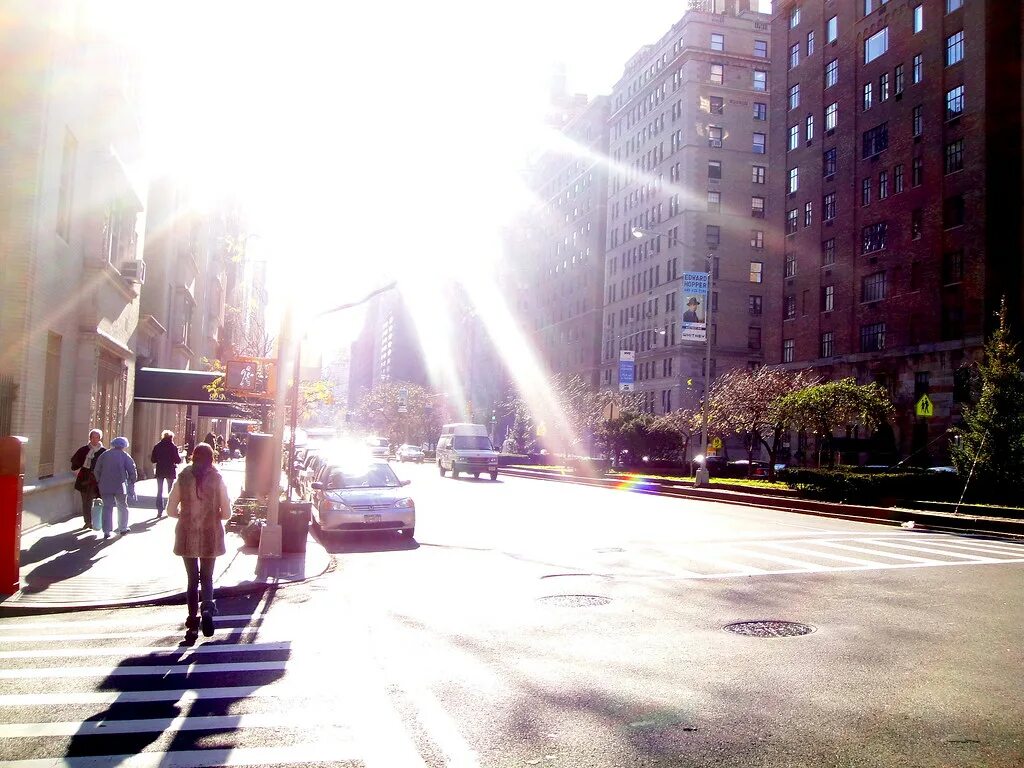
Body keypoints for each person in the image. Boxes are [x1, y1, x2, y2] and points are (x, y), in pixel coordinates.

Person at [165, 442, 231, 644]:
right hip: (210, 534)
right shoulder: (217, 478)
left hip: (187, 534)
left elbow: (170, 509)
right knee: (208, 577)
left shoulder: (183, 477)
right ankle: (208, 607)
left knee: (192, 580)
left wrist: (183, 515)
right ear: (212, 458)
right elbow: (227, 512)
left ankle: (192, 625)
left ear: (193, 456)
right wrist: (215, 515)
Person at [92, 436, 138, 539]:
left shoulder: (105, 454)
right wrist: (132, 481)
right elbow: (132, 470)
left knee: (107, 507)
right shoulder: (125, 456)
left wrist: (99, 480)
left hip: (105, 485)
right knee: (122, 506)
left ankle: (107, 530)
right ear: (124, 446)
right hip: (120, 485)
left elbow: (97, 469)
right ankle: (123, 527)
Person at [71, 429, 106, 528]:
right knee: (85, 501)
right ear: (90, 438)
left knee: (97, 500)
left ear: (100, 438)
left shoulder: (104, 452)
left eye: (97, 437)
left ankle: (98, 521)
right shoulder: (83, 450)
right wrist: (80, 471)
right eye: (93, 437)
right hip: (84, 479)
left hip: (97, 480)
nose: (95, 439)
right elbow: (74, 465)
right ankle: (87, 521)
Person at [150, 430, 183, 518]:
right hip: (170, 470)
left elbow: (153, 459)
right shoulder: (173, 447)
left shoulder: (157, 446)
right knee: (170, 491)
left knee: (159, 490)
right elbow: (178, 460)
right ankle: (170, 508)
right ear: (171, 438)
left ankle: (159, 510)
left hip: (160, 469)